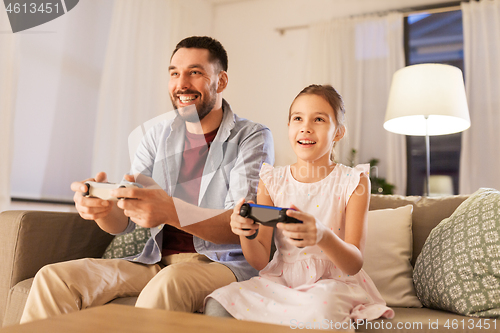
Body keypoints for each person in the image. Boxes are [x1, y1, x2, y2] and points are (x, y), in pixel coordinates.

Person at [20, 36, 274, 323]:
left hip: (221, 263)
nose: (182, 84)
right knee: (54, 278)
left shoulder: (252, 137)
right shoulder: (157, 136)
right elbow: (126, 221)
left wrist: (170, 211)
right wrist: (104, 210)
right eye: (174, 73)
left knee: (169, 283)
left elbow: (241, 225)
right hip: (153, 261)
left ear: (221, 81)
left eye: (195, 72)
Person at [204, 84, 394, 327]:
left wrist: (322, 235)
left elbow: (354, 264)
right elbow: (260, 260)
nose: (306, 127)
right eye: (298, 118)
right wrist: (246, 233)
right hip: (281, 282)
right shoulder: (272, 180)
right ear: (289, 126)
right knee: (220, 302)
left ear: (338, 132)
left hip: (334, 283)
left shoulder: (354, 182)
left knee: (318, 307)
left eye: (319, 119)